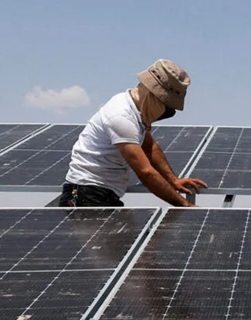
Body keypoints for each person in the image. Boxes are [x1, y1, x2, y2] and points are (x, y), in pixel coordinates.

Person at [55, 59, 206, 208]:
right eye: (167, 107)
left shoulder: (136, 112)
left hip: (102, 193)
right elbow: (146, 172)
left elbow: (149, 146)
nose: (166, 113)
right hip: (86, 195)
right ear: (153, 95)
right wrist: (184, 204)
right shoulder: (121, 117)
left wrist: (173, 180)